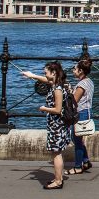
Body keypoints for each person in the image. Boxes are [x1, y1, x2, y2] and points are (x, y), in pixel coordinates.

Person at [22, 61, 72, 190]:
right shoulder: (56, 84)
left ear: (53, 73)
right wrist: (31, 75)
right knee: (57, 152)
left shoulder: (57, 90)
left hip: (57, 125)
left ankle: (58, 181)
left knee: (56, 153)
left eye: (46, 71)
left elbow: (57, 109)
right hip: (58, 125)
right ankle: (58, 178)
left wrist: (44, 108)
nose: (44, 74)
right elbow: (45, 80)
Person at [65, 58, 94, 176]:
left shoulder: (81, 84)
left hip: (80, 113)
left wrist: (68, 92)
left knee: (76, 139)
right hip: (86, 111)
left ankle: (78, 166)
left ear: (81, 71)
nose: (73, 71)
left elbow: (74, 101)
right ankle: (86, 161)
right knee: (79, 138)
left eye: (75, 69)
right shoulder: (89, 81)